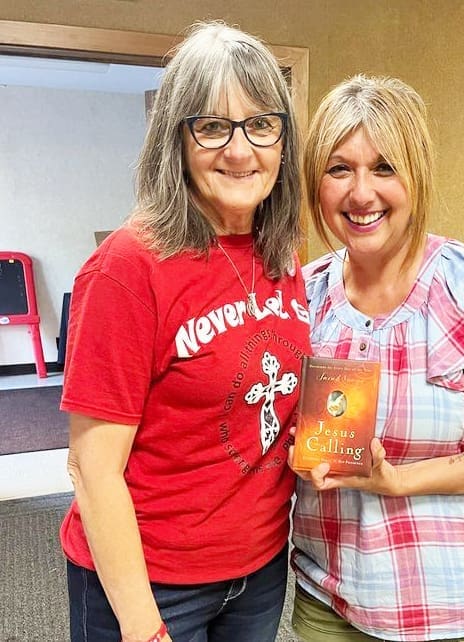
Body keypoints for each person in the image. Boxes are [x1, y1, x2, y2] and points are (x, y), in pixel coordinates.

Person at [60, 21, 311, 642]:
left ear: (283, 140)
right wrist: (143, 628)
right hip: (151, 582)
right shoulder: (127, 268)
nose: (240, 150)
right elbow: (93, 469)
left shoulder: (280, 254)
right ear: (176, 138)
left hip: (258, 570)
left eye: (261, 124)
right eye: (212, 126)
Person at [290, 74, 464, 642]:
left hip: (453, 610)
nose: (361, 193)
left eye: (384, 168)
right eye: (340, 169)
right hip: (330, 600)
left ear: (417, 176)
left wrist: (400, 481)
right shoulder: (302, 297)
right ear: (315, 181)